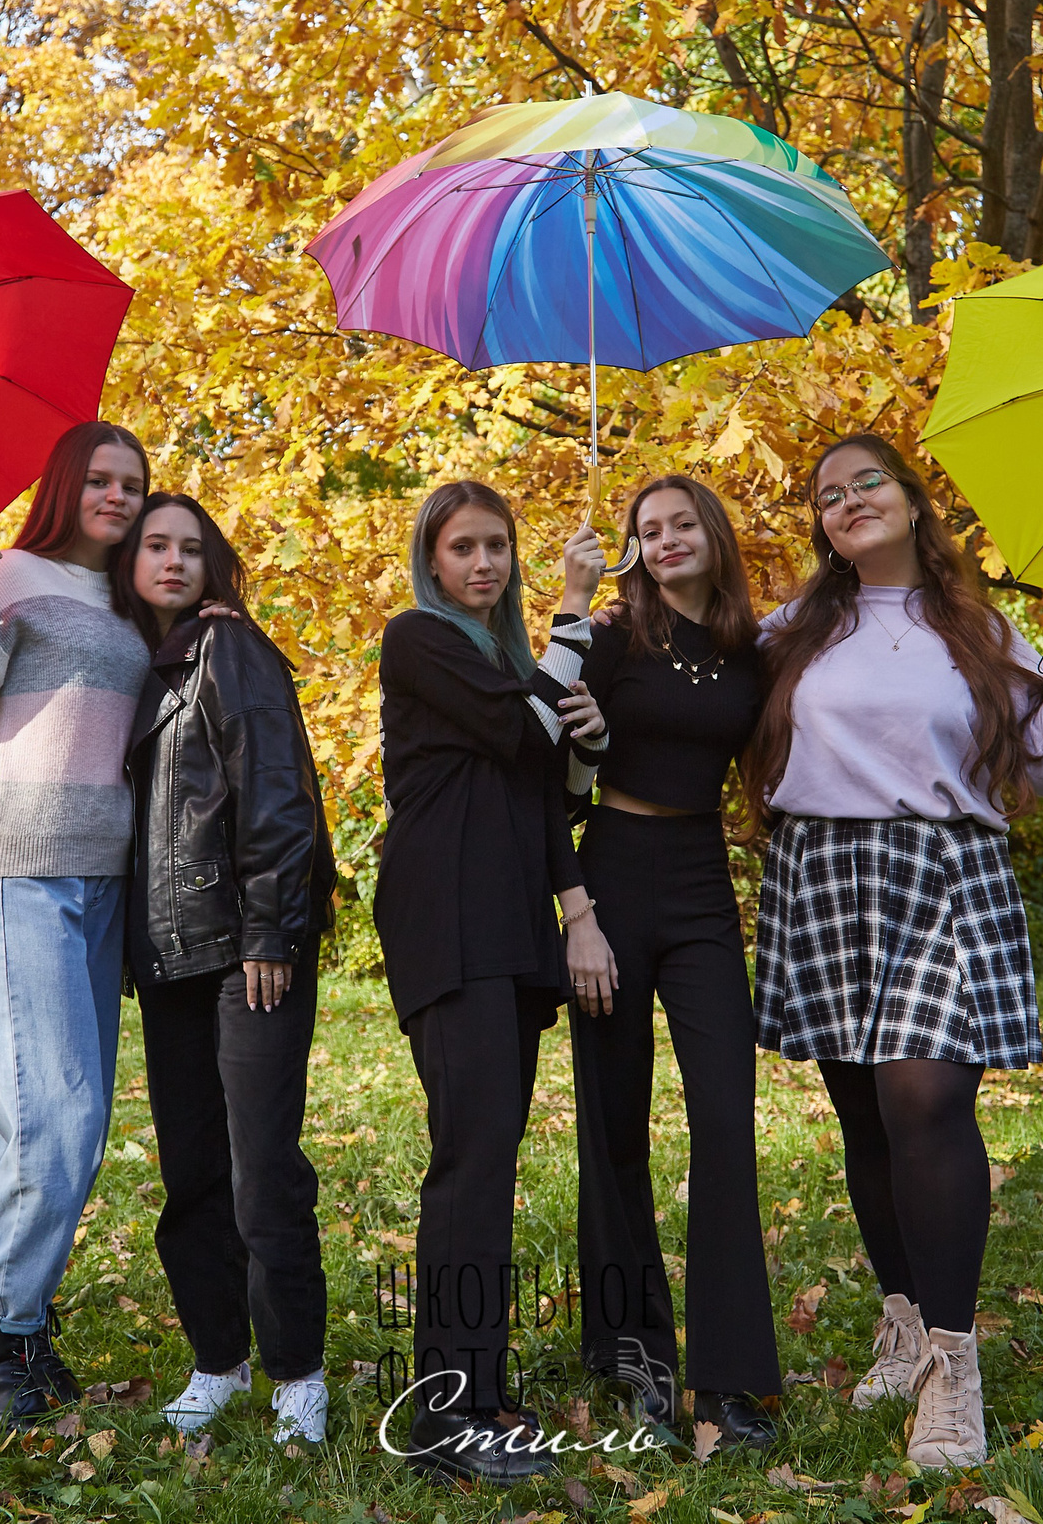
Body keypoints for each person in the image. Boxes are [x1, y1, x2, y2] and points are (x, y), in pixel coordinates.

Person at [743, 434, 1043, 1468]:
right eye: (829, 494)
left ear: (911, 502)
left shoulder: (979, 630)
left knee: (928, 1103)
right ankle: (902, 1321)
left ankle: (953, 1370)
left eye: (869, 482)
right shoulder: (792, 631)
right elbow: (685, 690)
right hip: (821, 875)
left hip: (942, 871)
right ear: (823, 527)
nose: (849, 500)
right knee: (866, 1116)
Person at [0, 421, 155, 1424]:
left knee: (67, 1127)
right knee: (55, 1116)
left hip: (105, 882)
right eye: (100, 479)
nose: (118, 495)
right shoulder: (13, 576)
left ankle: (20, 1327)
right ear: (65, 485)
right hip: (17, 871)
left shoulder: (132, 596)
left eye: (132, 482)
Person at [374, 480, 607, 1486]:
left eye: (496, 546)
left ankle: (478, 1388)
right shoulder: (418, 641)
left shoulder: (510, 665)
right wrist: (574, 611)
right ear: (431, 560)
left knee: (492, 1157)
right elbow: (520, 736)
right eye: (462, 547)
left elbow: (553, 791)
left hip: (510, 924)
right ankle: (445, 1414)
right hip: (447, 916)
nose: (482, 563)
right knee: (470, 1159)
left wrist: (587, 745)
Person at [540, 477, 781, 1449]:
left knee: (725, 1118)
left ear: (713, 535)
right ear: (632, 549)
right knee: (614, 1124)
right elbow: (546, 778)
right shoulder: (609, 636)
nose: (666, 538)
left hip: (699, 882)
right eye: (648, 529)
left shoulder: (750, 649)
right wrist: (576, 915)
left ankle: (730, 1379)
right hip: (608, 879)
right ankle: (632, 1352)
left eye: (683, 523)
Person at [113, 493, 337, 1445]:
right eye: (154, 546)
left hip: (247, 949)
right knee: (192, 1169)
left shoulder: (229, 647)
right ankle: (218, 1360)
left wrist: (270, 932)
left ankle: (297, 1375)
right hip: (169, 953)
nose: (172, 560)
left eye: (190, 547)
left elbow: (278, 791)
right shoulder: (141, 663)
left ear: (212, 563)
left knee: (262, 1170)